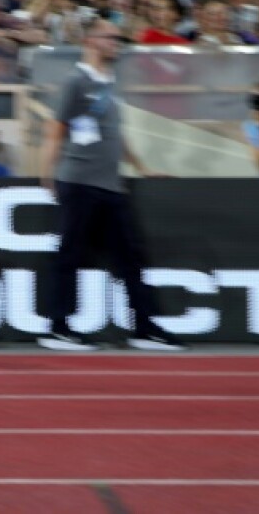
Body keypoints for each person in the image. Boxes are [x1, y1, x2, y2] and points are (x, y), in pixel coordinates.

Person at [37, 18, 184, 352]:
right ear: (90, 40)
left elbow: (116, 136)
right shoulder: (75, 81)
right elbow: (55, 131)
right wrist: (47, 173)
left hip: (111, 185)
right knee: (70, 255)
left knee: (129, 258)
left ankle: (144, 328)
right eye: (110, 36)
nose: (116, 41)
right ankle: (57, 328)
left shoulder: (110, 85)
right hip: (78, 181)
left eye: (118, 37)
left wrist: (142, 167)